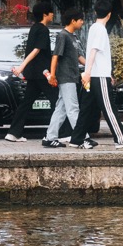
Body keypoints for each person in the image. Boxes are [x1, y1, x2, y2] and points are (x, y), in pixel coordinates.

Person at [80, 0, 123, 148]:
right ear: (109, 14)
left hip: (94, 75)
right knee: (109, 108)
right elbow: (94, 51)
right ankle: (121, 140)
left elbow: (94, 53)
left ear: (95, 12)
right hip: (98, 76)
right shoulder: (100, 29)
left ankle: (76, 139)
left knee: (86, 108)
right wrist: (88, 72)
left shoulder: (93, 28)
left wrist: (87, 73)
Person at [4, 4, 54, 142]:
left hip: (33, 73)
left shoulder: (34, 28)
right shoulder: (43, 30)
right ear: (45, 14)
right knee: (57, 101)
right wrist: (21, 67)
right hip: (42, 73)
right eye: (51, 12)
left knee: (26, 103)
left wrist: (24, 68)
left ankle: (13, 133)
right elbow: (36, 50)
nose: (53, 15)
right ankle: (62, 133)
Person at [41, 9, 86, 148]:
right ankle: (83, 138)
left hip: (72, 76)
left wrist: (91, 67)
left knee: (61, 109)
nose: (82, 22)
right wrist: (52, 75)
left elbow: (79, 57)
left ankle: (50, 137)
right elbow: (55, 56)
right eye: (80, 20)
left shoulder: (73, 37)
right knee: (73, 109)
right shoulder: (63, 36)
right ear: (73, 21)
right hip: (66, 77)